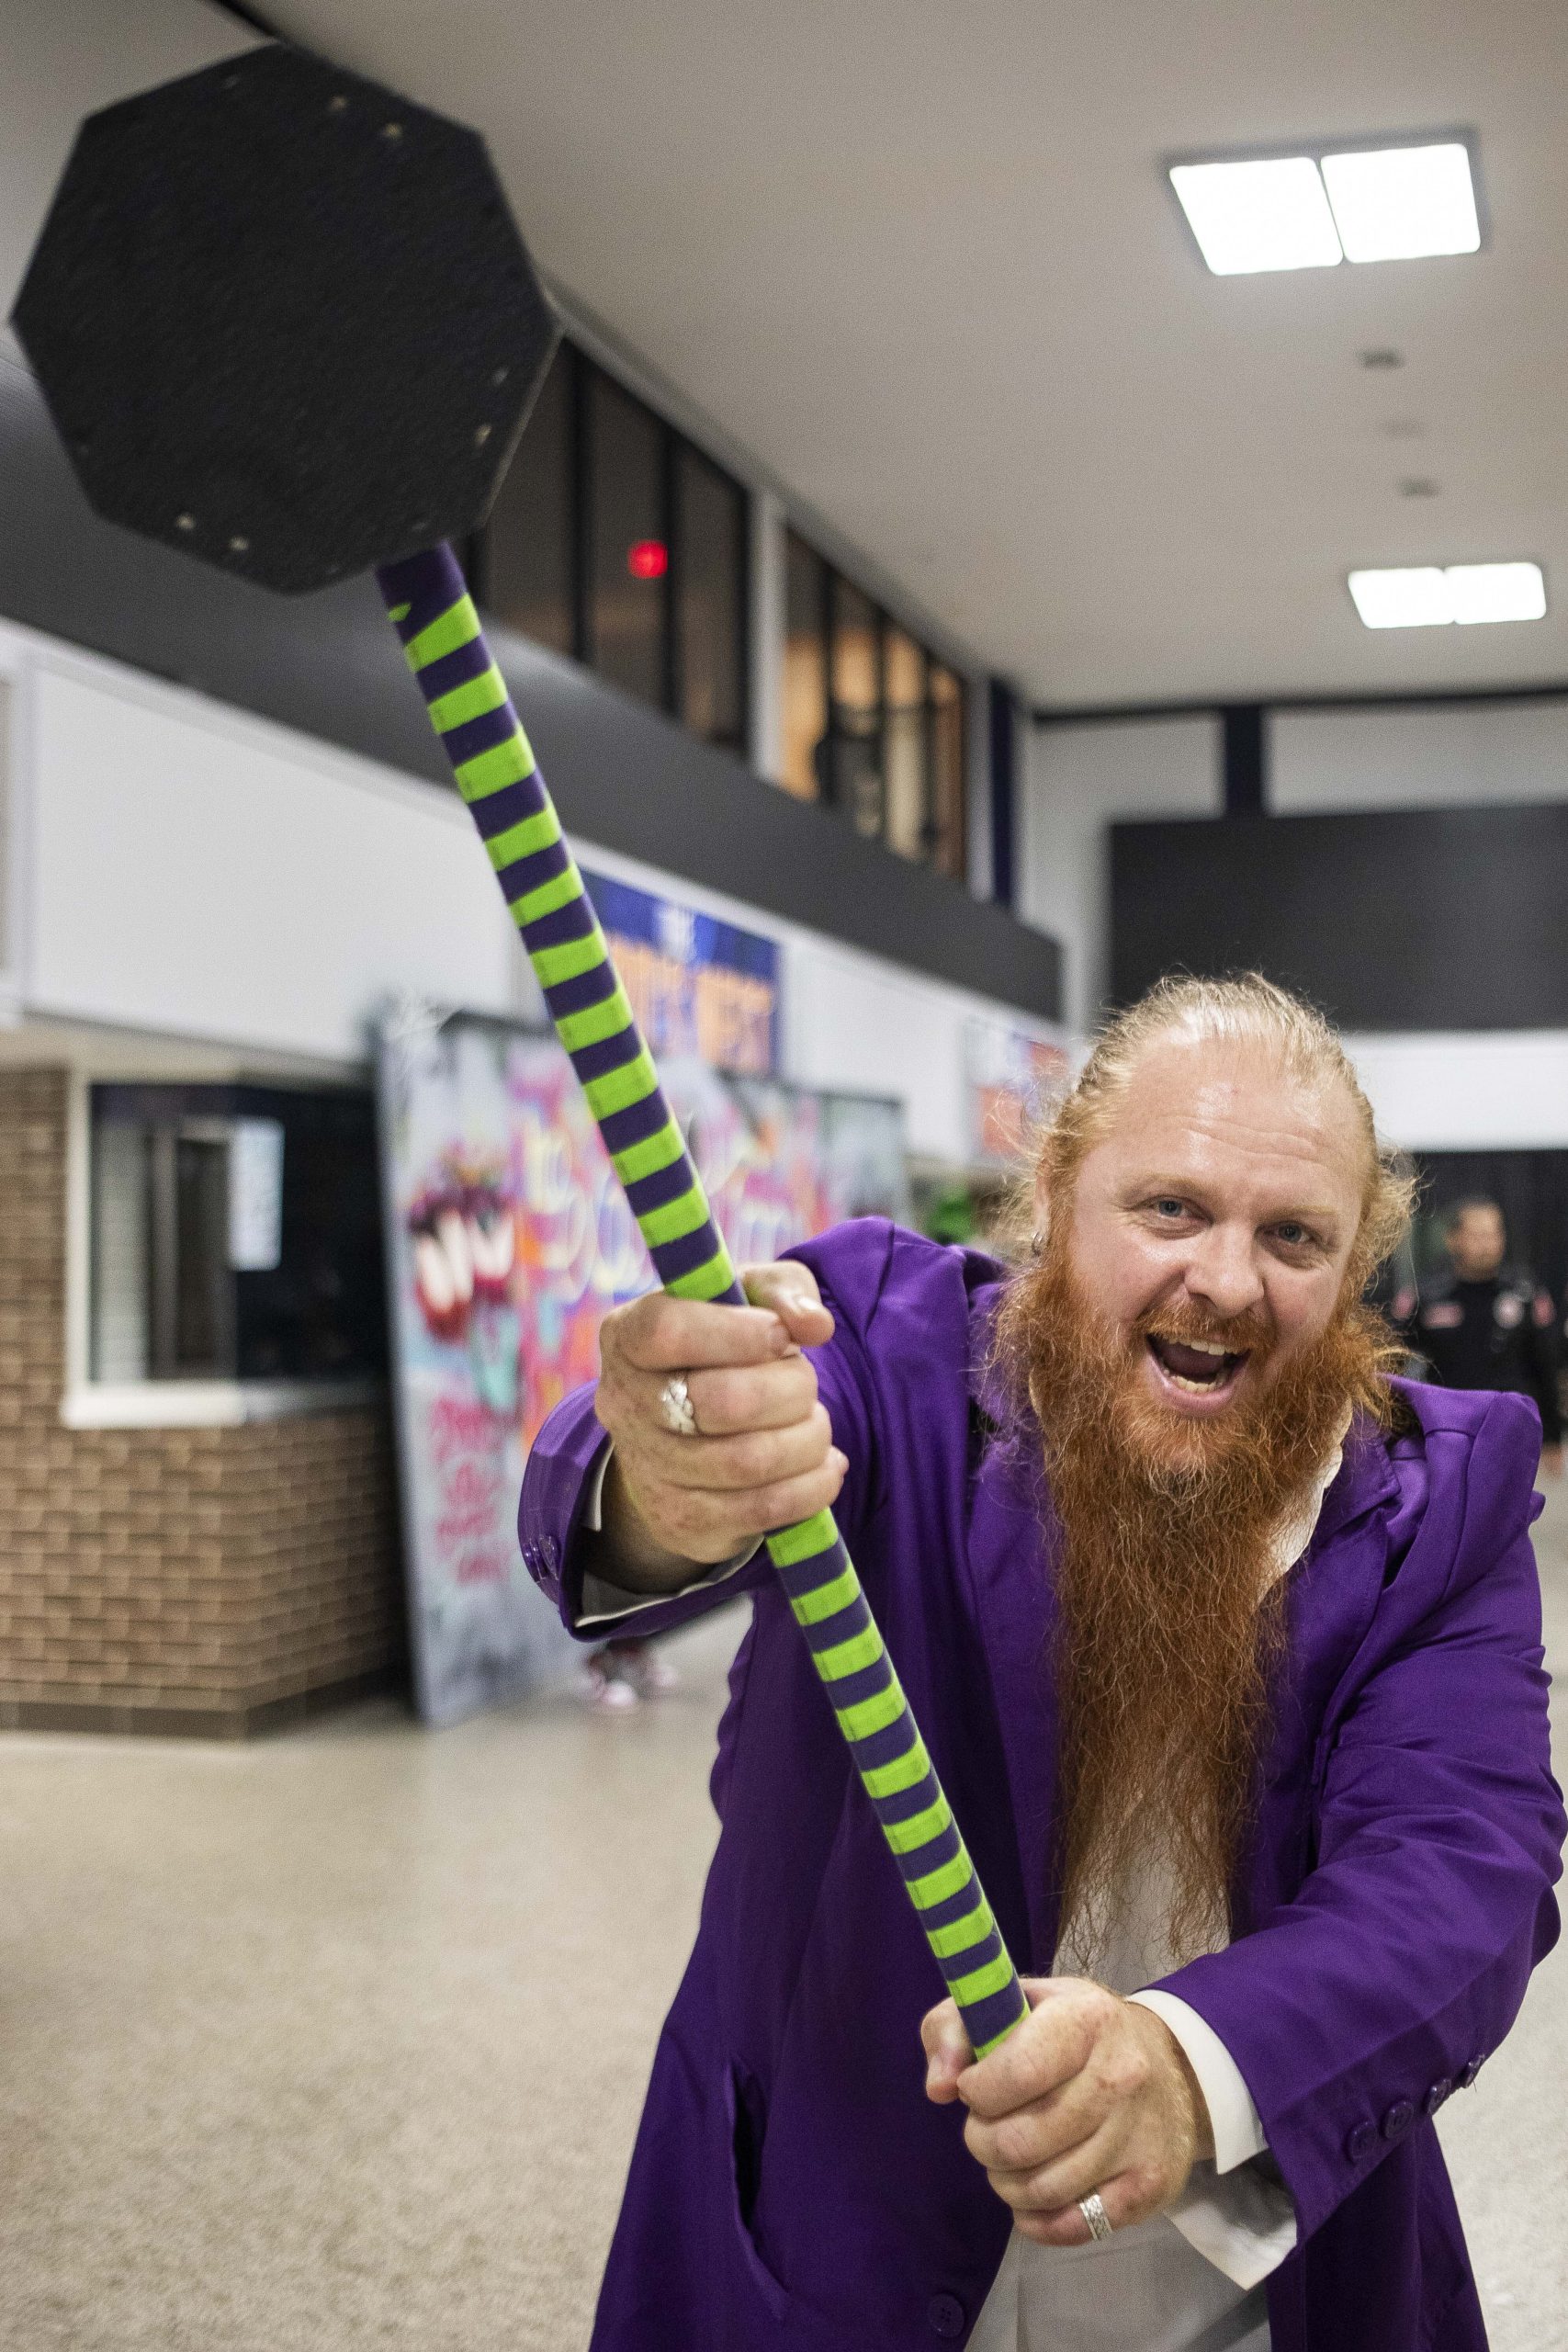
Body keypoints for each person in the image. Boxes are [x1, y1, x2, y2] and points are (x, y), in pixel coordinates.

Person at [517, 976, 1563, 2352]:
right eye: (1168, 1208)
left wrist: (1188, 2067)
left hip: (1252, 2271)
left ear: (1357, 1268)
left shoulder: (1437, 1498)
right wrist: (673, 1465)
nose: (1226, 1281)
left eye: (1294, 1236)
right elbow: (695, 1449)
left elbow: (1462, 1865)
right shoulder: (886, 1347)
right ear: (1055, 1200)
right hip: (837, 2244)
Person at [1393, 1198, 1562, 1476]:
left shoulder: (1524, 1294)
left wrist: (1553, 1435)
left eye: (1495, 1234)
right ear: (1453, 1239)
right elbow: (1394, 1361)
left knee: (1507, 1514)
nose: (1488, 1243)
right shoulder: (1427, 1297)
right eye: (1478, 1235)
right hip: (1447, 1431)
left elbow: (1544, 1365)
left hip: (1509, 1430)